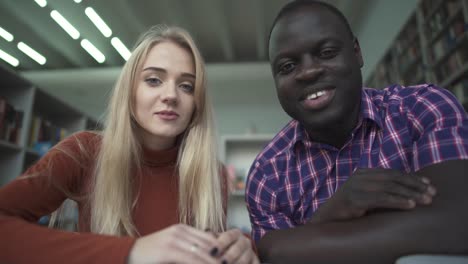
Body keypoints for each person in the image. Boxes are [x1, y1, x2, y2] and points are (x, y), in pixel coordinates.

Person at [0, 25, 259, 264]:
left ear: (196, 103)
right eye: (153, 80)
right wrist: (131, 251)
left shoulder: (213, 175)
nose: (170, 96)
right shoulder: (83, 151)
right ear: (130, 90)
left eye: (187, 86)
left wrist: (242, 248)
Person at [245, 1, 468, 263]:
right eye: (287, 67)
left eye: (327, 52)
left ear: (357, 52)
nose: (308, 72)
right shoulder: (267, 174)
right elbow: (274, 255)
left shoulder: (422, 108)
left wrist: (307, 238)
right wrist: (333, 211)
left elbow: (458, 225)